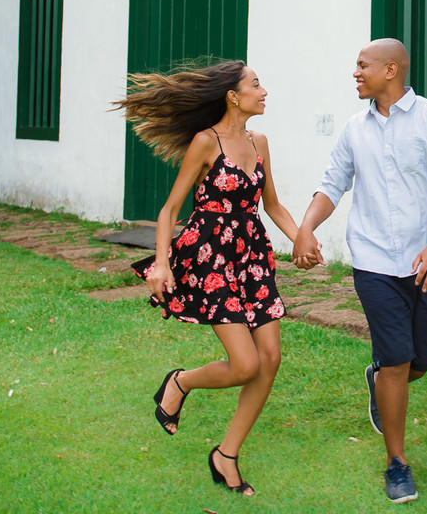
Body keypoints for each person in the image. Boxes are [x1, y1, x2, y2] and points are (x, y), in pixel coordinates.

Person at [113, 59, 308, 497]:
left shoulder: (259, 142)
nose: (264, 91)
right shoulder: (206, 142)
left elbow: (272, 206)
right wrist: (161, 263)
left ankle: (226, 455)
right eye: (256, 84)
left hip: (252, 258)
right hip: (212, 257)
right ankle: (180, 381)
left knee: (269, 359)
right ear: (233, 96)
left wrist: (301, 239)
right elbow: (169, 210)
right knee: (245, 364)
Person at [292, 38, 427, 504]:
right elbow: (332, 183)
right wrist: (306, 227)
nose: (355, 73)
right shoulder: (354, 129)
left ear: (391, 70)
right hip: (372, 262)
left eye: (362, 65)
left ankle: (379, 379)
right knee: (395, 361)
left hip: (423, 262)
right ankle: (397, 463)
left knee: (418, 363)